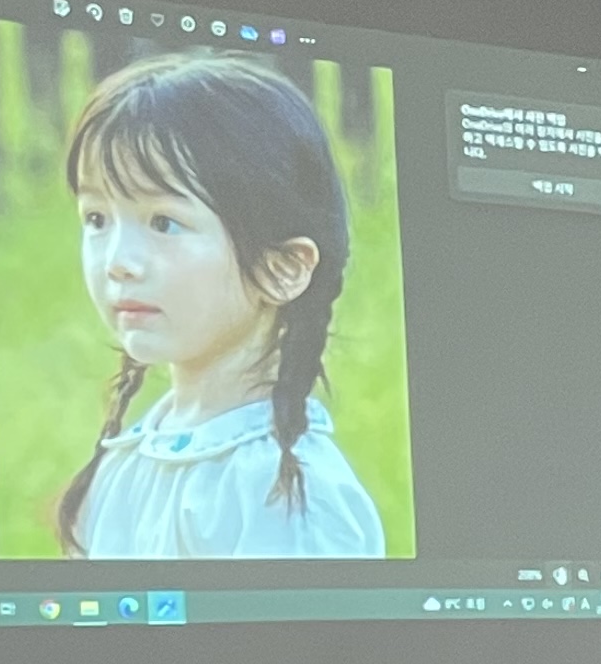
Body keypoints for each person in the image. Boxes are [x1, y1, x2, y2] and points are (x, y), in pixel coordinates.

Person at [51, 53, 387, 561]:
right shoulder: (125, 462)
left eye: (163, 223)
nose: (118, 262)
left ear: (283, 267)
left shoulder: (286, 495)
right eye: (97, 219)